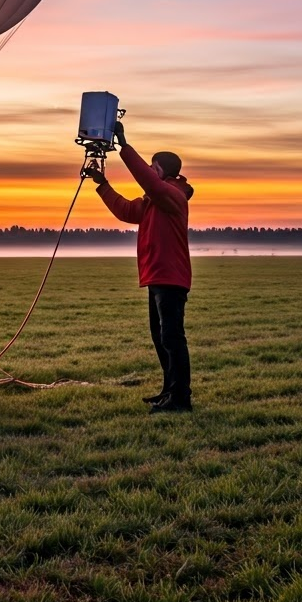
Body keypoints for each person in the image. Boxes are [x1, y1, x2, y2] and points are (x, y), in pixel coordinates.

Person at [85, 121, 195, 412]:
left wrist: (124, 145)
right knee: (161, 338)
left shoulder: (173, 196)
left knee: (172, 337)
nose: (149, 169)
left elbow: (149, 182)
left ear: (164, 171)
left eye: (152, 166)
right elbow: (124, 210)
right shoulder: (151, 202)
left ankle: (181, 398)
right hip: (156, 276)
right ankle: (169, 391)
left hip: (170, 277)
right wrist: (102, 184)